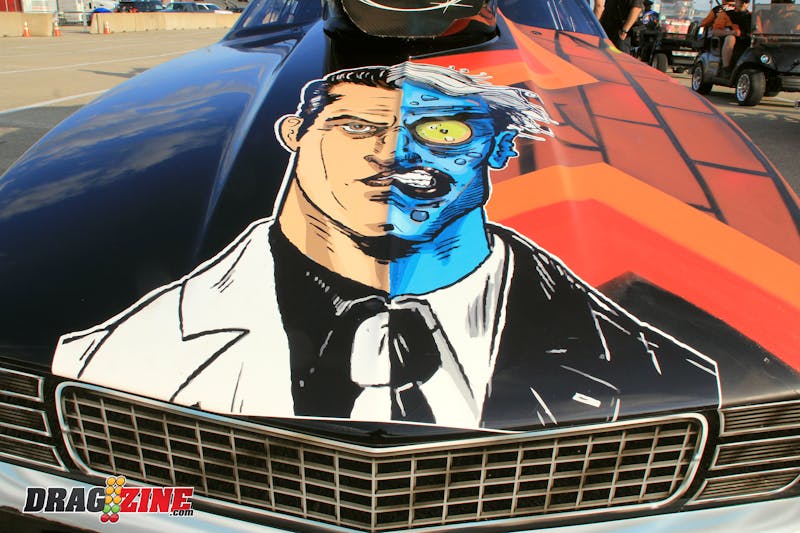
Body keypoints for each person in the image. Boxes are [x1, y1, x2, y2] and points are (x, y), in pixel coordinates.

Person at [51, 62, 720, 430]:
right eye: (354, 126)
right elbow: (86, 502)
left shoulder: (668, 376)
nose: (394, 154)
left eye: (444, 132)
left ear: (500, 148)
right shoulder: (104, 360)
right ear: (294, 135)